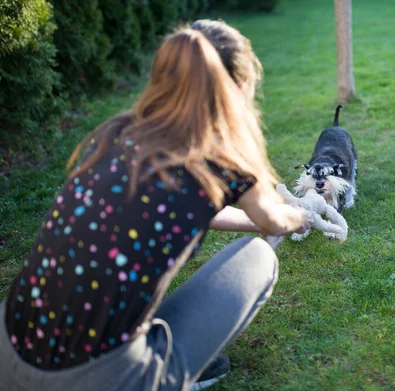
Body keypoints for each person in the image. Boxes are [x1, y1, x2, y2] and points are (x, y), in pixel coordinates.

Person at [0, 20, 311, 391]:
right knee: (258, 258)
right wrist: (303, 213)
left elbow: (185, 211)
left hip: (9, 345)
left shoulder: (119, 134)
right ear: (240, 89)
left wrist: (249, 220)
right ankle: (161, 372)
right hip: (94, 380)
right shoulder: (222, 161)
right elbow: (275, 220)